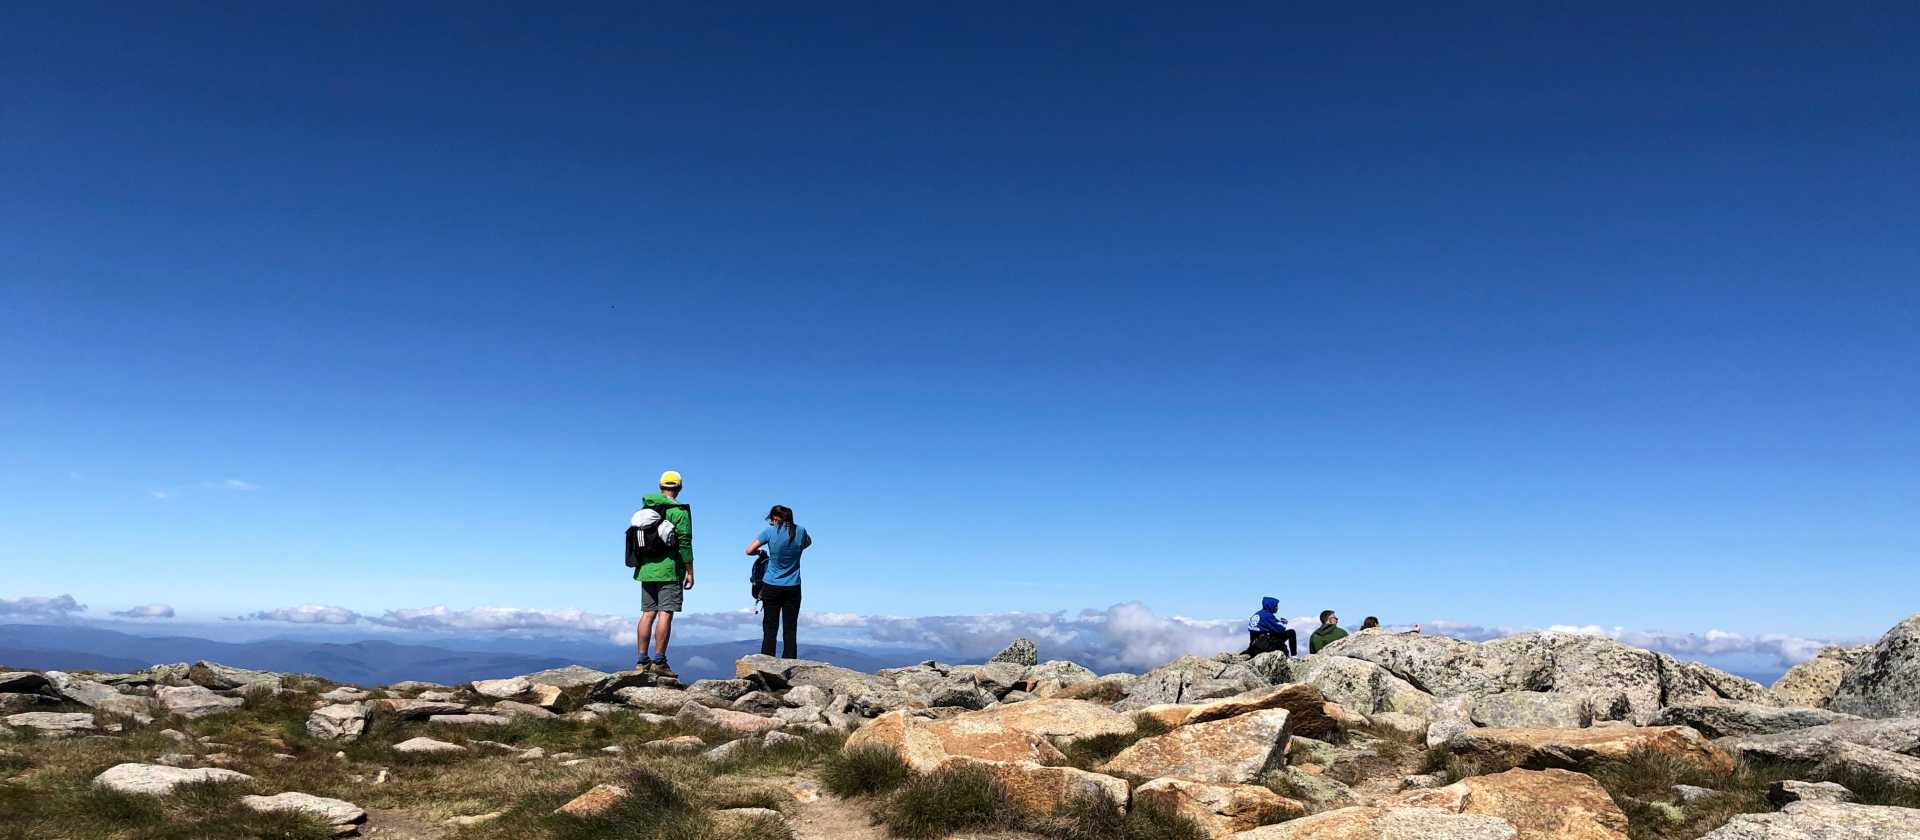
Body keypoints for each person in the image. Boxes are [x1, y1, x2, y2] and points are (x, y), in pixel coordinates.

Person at [633, 470, 694, 679]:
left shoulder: (646, 508)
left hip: (646, 570)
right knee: (665, 613)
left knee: (647, 613)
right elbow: (684, 543)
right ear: (679, 488)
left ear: (661, 487)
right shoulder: (680, 512)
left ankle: (641, 660)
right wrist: (690, 571)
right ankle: (659, 660)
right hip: (669, 569)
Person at [744, 505, 810, 659]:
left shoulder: (770, 532)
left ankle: (767, 663)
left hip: (771, 585)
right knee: (790, 628)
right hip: (793, 586)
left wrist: (760, 552)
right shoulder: (801, 531)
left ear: (775, 519)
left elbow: (748, 551)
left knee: (770, 628)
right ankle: (789, 662)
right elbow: (807, 543)